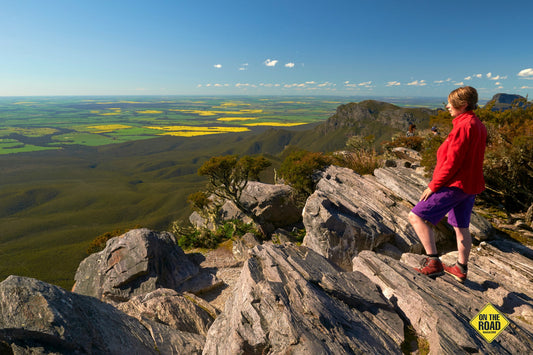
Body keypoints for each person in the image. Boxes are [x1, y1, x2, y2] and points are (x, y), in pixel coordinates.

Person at [408, 86, 487, 283]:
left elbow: (452, 162)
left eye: (451, 103)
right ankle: (461, 268)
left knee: (416, 216)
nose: (448, 106)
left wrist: (434, 186)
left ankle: (433, 263)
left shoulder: (463, 126)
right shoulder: (478, 124)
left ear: (464, 105)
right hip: (470, 185)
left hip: (455, 185)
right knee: (461, 226)